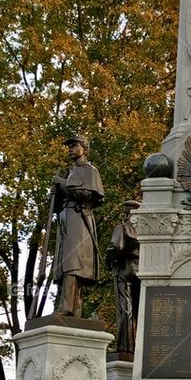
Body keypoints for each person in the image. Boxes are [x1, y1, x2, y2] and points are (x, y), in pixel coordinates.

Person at [51, 133, 104, 318]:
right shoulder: (70, 172)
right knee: (65, 262)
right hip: (66, 217)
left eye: (74, 146)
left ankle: (68, 307)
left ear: (84, 149)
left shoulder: (90, 171)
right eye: (69, 146)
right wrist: (56, 193)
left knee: (73, 263)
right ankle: (71, 307)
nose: (70, 149)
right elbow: (60, 200)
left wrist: (63, 185)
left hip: (79, 217)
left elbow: (87, 195)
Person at [105, 199, 141, 356]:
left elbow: (116, 246)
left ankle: (126, 346)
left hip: (124, 270)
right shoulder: (146, 230)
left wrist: (109, 260)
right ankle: (139, 346)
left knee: (125, 308)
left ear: (127, 212)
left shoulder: (122, 227)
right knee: (140, 309)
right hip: (141, 272)